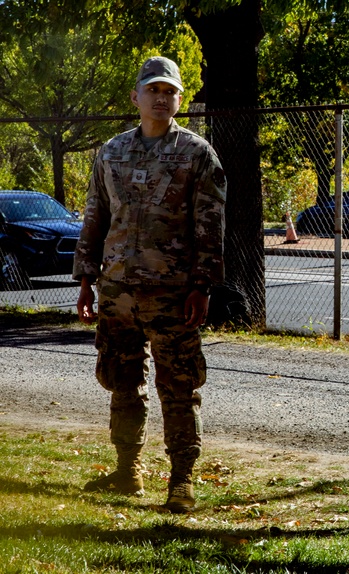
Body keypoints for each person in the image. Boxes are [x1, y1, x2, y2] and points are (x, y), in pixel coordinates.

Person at [73, 55, 227, 514]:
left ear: (180, 98)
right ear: (136, 97)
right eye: (153, 90)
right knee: (122, 382)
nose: (161, 98)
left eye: (169, 91)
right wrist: (85, 279)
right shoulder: (111, 152)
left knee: (179, 387)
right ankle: (127, 472)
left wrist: (203, 285)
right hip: (117, 292)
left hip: (174, 294)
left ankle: (181, 481)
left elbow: (210, 224)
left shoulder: (197, 154)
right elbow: (96, 216)